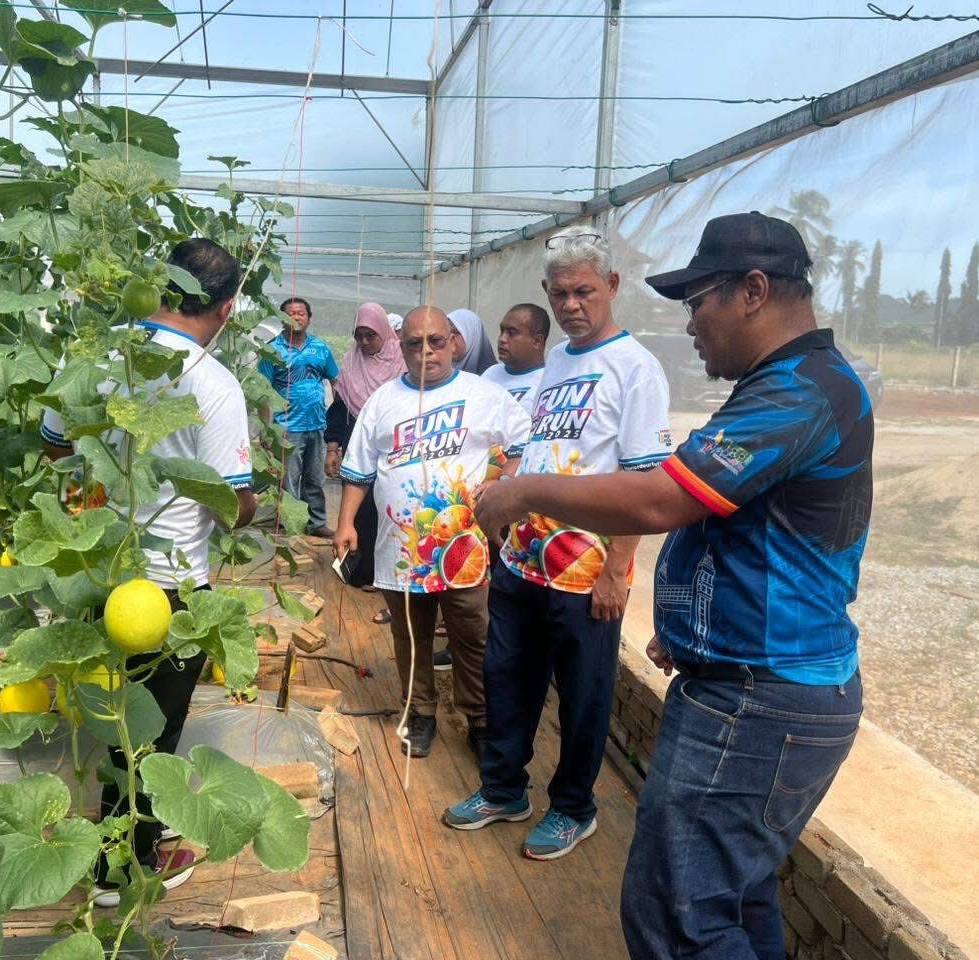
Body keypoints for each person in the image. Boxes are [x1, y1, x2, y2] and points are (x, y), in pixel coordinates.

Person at [469, 212, 873, 960]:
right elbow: (732, 519)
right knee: (733, 896)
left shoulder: (802, 394)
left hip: (760, 697)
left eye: (697, 302)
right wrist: (688, 621)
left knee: (677, 915)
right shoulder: (781, 386)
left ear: (753, 291)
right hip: (752, 680)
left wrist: (526, 492)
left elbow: (661, 497)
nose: (689, 325)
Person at [443, 225, 673, 861]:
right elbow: (539, 450)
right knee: (507, 676)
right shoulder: (557, 363)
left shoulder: (636, 369)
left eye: (585, 291)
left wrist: (617, 571)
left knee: (583, 694)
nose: (572, 305)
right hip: (523, 559)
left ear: (612, 287)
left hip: (585, 570)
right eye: (560, 293)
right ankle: (503, 789)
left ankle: (574, 806)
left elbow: (643, 480)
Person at [41, 238, 259, 904]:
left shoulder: (91, 355)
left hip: (91, 568)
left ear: (163, 286)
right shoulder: (213, 383)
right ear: (224, 308)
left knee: (109, 715)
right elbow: (231, 508)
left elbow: (56, 452)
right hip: (166, 585)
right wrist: (247, 500)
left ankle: (108, 843)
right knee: (148, 733)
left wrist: (95, 504)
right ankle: (120, 870)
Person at [333, 306, 531, 758]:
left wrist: (501, 484)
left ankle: (479, 717)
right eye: (414, 344)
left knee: (473, 632)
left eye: (436, 341)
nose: (426, 352)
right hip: (401, 548)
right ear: (400, 348)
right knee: (410, 633)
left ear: (453, 342)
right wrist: (346, 523)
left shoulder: (483, 394)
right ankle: (420, 711)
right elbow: (358, 470)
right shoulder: (383, 401)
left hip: (464, 546)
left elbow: (525, 443)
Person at [324, 302, 406, 598]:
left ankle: (383, 572)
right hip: (357, 444)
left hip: (391, 445)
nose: (364, 342)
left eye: (370, 335)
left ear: (384, 331)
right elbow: (340, 407)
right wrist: (333, 447)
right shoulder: (351, 360)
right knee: (356, 508)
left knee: (384, 507)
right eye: (359, 335)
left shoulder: (401, 359)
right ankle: (355, 568)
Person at [258, 296, 340, 537]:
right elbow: (263, 392)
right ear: (282, 319)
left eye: (301, 313)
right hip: (286, 427)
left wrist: (337, 421)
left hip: (317, 424)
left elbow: (335, 383)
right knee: (289, 481)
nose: (296, 317)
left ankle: (316, 523)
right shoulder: (271, 350)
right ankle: (290, 526)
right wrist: (265, 429)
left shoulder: (320, 348)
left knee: (315, 479)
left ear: (309, 318)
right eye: (290, 313)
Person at [480, 302, 550, 415]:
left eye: (511, 333)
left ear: (537, 341)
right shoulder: (490, 373)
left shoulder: (548, 381)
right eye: (502, 331)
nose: (502, 339)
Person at [447, 307, 498, 374]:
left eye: (456, 332)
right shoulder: (434, 377)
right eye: (446, 332)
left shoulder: (495, 378)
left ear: (472, 337)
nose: (449, 338)